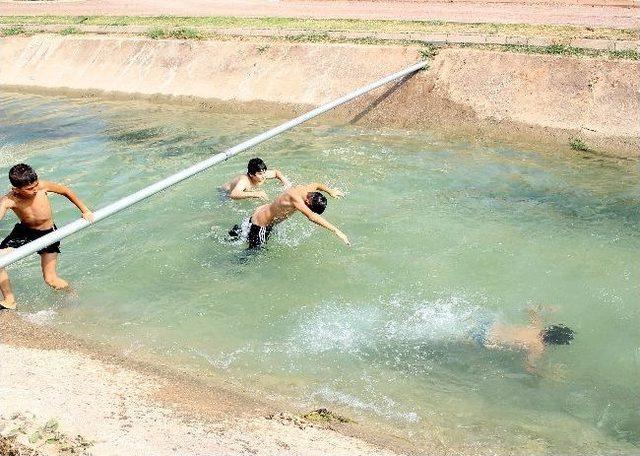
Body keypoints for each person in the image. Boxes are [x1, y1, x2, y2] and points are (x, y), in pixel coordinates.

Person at [0, 164, 93, 310]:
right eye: (29, 189)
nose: (35, 189)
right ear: (15, 189)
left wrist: (85, 210)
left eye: (35, 185)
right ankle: (10, 300)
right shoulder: (9, 200)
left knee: (50, 279)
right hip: (25, 232)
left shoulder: (42, 186)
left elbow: (66, 191)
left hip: (48, 233)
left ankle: (71, 293)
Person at [229, 183, 349, 248]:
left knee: (239, 238)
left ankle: (235, 233)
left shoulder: (307, 190)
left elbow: (318, 184)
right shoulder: (296, 199)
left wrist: (330, 191)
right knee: (254, 254)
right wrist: (336, 231)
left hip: (259, 213)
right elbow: (312, 217)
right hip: (260, 225)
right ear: (307, 203)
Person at [469, 305, 574, 374]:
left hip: (491, 323)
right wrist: (545, 372)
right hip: (487, 339)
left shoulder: (537, 326)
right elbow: (528, 367)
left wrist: (549, 309)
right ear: (555, 343)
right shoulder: (538, 347)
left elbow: (531, 310)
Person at [222, 157, 290, 201]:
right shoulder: (244, 181)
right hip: (224, 193)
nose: (264, 176)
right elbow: (233, 194)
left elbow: (276, 172)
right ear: (251, 174)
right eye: (260, 173)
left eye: (264, 172)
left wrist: (285, 182)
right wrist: (256, 194)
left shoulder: (263, 174)